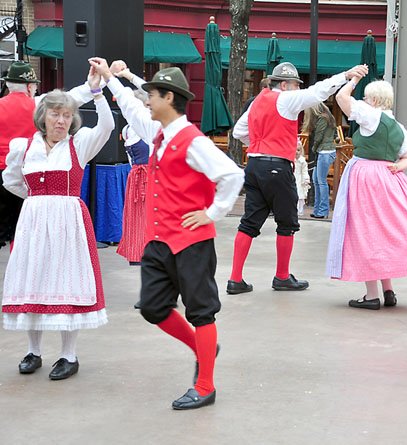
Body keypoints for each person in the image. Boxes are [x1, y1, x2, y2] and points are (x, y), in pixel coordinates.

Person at [90, 57, 245, 410]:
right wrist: (109, 79)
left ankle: (205, 385)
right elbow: (130, 107)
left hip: (192, 242)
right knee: (152, 307)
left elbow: (232, 175)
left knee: (201, 312)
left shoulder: (193, 141)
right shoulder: (158, 132)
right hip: (160, 241)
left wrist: (211, 213)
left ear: (170, 99)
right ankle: (202, 347)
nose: (147, 100)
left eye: (153, 95)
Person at [2, 66, 113, 380]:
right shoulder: (25, 148)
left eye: (66, 115)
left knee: (66, 281)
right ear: (43, 117)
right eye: (55, 114)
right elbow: (11, 181)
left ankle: (69, 355)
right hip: (34, 221)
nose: (61, 120)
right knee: (33, 278)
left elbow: (106, 125)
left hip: (68, 223)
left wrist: (97, 91)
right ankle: (33, 351)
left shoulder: (79, 145)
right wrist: (37, 200)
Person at [229, 61, 368, 295]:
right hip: (277, 167)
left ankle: (235, 279)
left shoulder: (256, 102)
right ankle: (282, 276)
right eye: (294, 84)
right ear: (284, 85)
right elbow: (318, 91)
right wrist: (346, 74)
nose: (297, 88)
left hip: (254, 164)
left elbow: (239, 132)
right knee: (287, 222)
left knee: (249, 222)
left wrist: (259, 147)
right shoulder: (286, 99)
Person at [326, 79, 407, 310]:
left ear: (374, 100)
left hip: (365, 176)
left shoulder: (370, 115)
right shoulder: (399, 127)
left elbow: (341, 98)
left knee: (365, 232)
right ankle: (389, 291)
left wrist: (353, 79)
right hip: (389, 177)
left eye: (366, 97)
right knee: (383, 232)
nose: (364, 101)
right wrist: (397, 167)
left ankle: (371, 295)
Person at [0, 61, 96, 249]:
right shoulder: (39, 105)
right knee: (25, 233)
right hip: (27, 174)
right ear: (29, 86)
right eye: (34, 85)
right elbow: (73, 98)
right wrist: (93, 85)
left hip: (5, 173)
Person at [115, 68, 151, 265]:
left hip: (136, 173)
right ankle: (142, 251)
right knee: (145, 215)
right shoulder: (140, 127)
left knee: (138, 215)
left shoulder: (128, 130)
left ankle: (138, 251)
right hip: (146, 174)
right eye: (146, 104)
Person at [301, 103, 337, 219]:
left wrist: (314, 148)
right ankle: (318, 210)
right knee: (316, 180)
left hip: (324, 151)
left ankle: (323, 210)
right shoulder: (329, 117)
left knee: (320, 181)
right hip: (326, 151)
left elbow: (319, 136)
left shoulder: (322, 118)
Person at [294, 141, 310, 216]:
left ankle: (299, 210)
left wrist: (306, 179)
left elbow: (304, 171)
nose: (296, 152)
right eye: (295, 150)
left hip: (299, 179)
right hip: (292, 178)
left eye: (298, 150)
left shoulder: (302, 161)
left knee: (300, 194)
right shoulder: (291, 160)